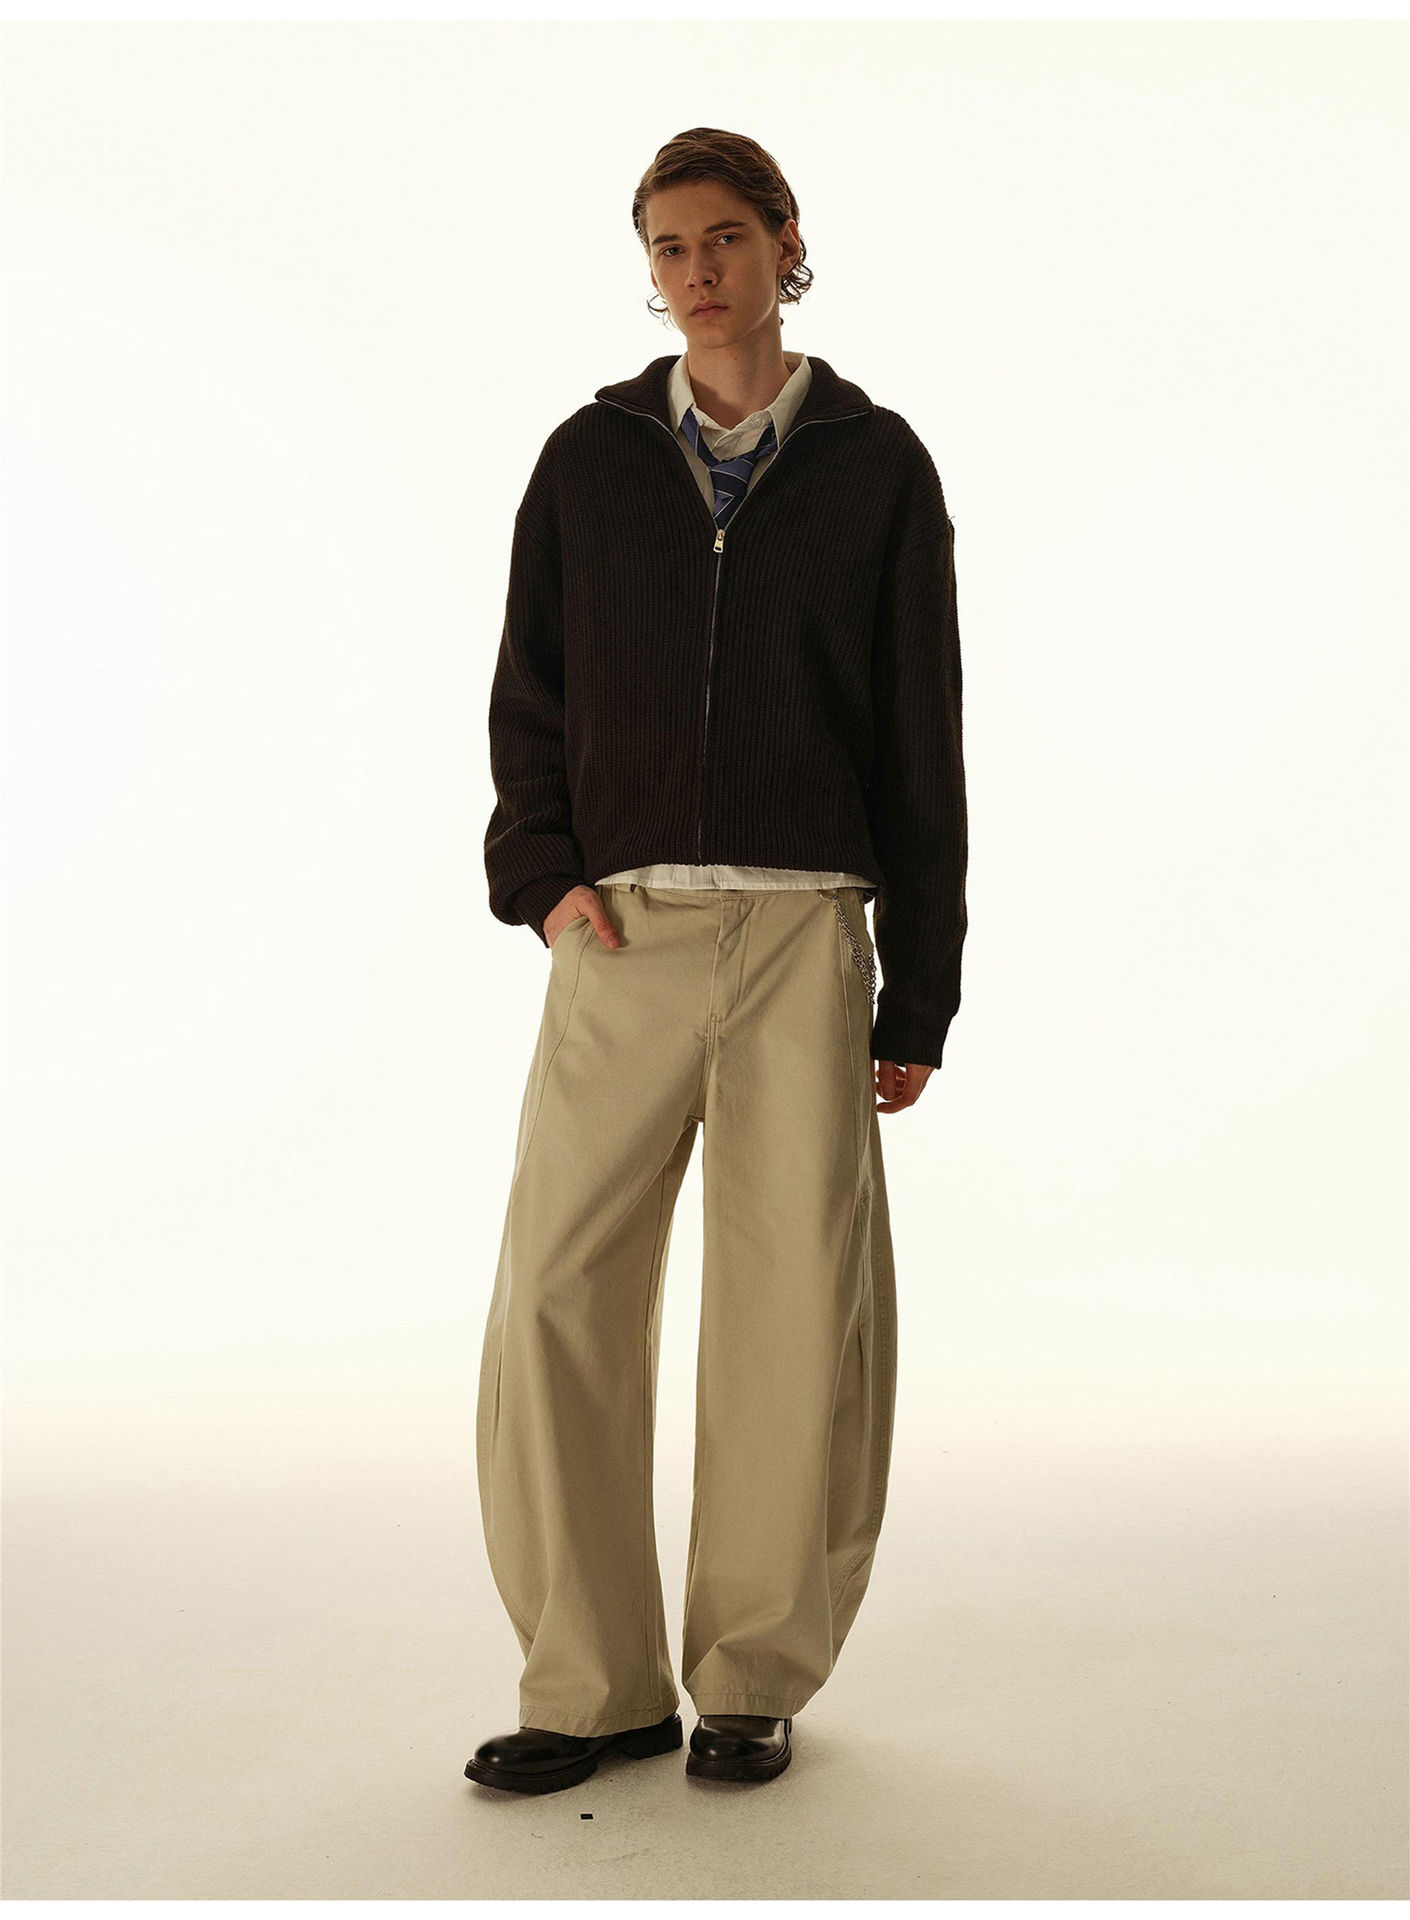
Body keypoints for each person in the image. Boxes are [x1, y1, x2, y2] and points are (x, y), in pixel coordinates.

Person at [465, 127, 968, 1796]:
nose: (697, 269)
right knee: (558, 1292)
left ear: (783, 243)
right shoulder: (587, 459)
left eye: (726, 237)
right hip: (620, 929)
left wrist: (920, 982)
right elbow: (528, 693)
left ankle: (749, 1674)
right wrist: (542, 879)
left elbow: (921, 735)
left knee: (788, 1310)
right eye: (669, 246)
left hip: (804, 933)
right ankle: (591, 1683)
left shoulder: (875, 465)